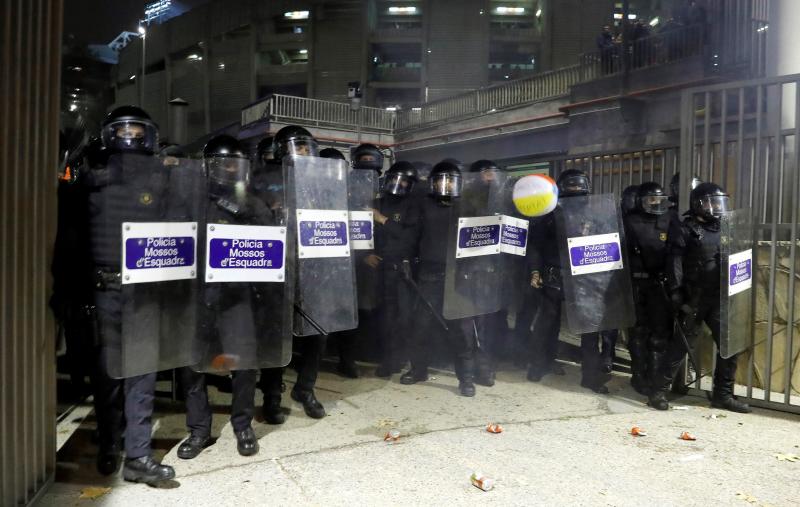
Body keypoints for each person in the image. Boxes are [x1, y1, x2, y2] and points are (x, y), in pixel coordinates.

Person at [84, 106, 175, 483]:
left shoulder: (162, 180)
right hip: (106, 289)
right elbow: (74, 240)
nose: (132, 137)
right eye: (126, 131)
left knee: (142, 374)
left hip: (146, 289)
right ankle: (110, 444)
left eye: (139, 131)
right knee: (108, 376)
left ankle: (137, 456)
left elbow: (178, 230)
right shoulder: (93, 181)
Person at [178, 135, 266, 460]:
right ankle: (199, 430)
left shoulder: (252, 204)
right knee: (192, 365)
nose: (230, 169)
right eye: (224, 162)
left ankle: (242, 424)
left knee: (244, 361)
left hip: (235, 296)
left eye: (236, 163)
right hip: (197, 294)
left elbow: (271, 248)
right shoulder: (191, 200)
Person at [650, 182, 751, 413]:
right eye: (712, 202)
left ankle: (722, 395)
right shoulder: (686, 229)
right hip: (693, 299)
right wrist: (676, 293)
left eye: (719, 202)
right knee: (680, 347)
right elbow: (674, 262)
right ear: (698, 204)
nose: (717, 206)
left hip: (718, 298)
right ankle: (658, 392)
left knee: (729, 347)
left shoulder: (725, 228)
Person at [259, 125, 327, 420]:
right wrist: (269, 210)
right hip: (278, 266)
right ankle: (272, 396)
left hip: (313, 265)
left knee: (316, 333)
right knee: (277, 334)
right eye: (297, 147)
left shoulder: (321, 178)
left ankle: (306, 388)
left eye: (306, 147)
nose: (302, 152)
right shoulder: (263, 178)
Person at [528, 169, 612, 393]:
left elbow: (606, 245)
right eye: (571, 188)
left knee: (589, 329)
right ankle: (539, 365)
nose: (575, 193)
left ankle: (590, 375)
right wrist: (535, 271)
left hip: (584, 277)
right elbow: (535, 245)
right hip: (555, 273)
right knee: (547, 324)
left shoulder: (596, 216)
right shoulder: (549, 215)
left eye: (578, 188)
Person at [400, 160, 477, 397]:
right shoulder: (423, 205)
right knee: (420, 326)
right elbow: (411, 236)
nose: (445, 186)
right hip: (429, 275)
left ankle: (466, 378)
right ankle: (419, 369)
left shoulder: (468, 206)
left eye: (451, 181)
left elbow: (480, 239)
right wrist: (405, 261)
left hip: (458, 277)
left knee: (462, 331)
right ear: (432, 183)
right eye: (441, 180)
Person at [370, 161, 420, 377]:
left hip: (403, 270)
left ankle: (410, 360)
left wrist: (382, 220)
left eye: (404, 181)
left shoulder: (413, 206)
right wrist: (365, 256)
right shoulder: (377, 202)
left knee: (405, 317)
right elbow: (362, 234)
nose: (398, 184)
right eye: (395, 179)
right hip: (380, 268)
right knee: (386, 317)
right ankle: (389, 360)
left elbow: (409, 237)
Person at [623, 182, 672, 396]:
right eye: (650, 199)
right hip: (636, 283)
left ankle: (655, 378)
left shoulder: (669, 219)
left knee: (659, 334)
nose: (655, 203)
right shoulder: (630, 221)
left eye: (659, 199)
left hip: (659, 284)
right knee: (638, 332)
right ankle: (639, 376)